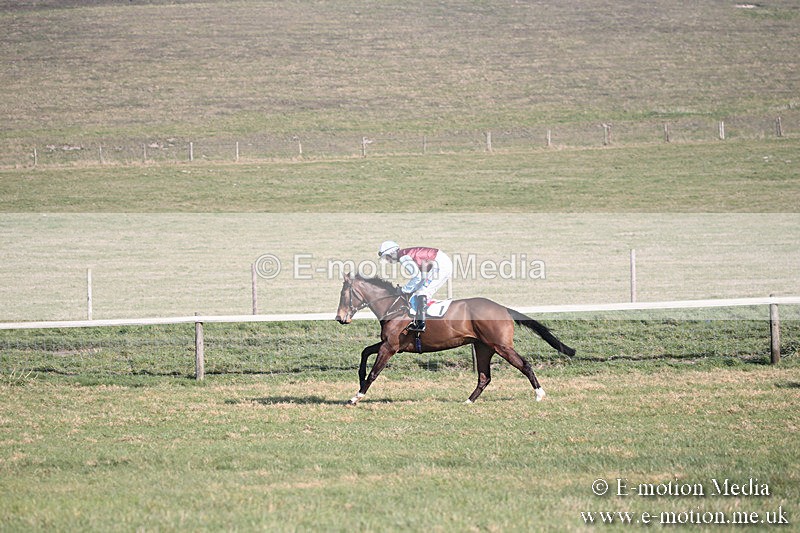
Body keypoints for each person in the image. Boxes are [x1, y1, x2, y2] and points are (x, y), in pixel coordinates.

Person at [377, 241, 453, 332]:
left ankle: (421, 324)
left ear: (392, 253)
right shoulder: (404, 255)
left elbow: (417, 277)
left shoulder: (403, 258)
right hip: (439, 263)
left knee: (423, 292)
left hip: (441, 265)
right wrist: (409, 289)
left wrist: (403, 290)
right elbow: (419, 278)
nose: (388, 260)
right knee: (418, 292)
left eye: (387, 257)